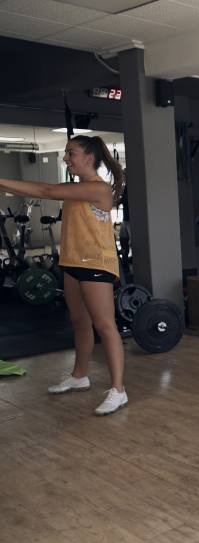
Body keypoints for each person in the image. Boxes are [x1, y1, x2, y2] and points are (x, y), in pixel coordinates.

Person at [0, 135, 128, 416]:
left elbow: (46, 190)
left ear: (89, 158)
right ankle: (79, 376)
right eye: (66, 153)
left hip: (96, 264)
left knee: (104, 325)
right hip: (72, 262)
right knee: (79, 321)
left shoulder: (98, 188)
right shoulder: (78, 187)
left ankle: (118, 390)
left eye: (71, 153)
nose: (66, 159)